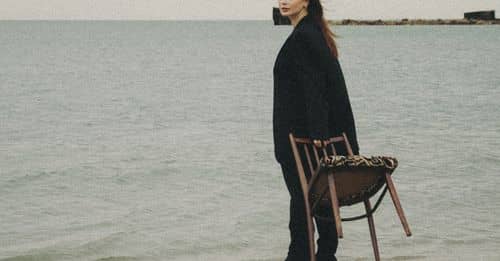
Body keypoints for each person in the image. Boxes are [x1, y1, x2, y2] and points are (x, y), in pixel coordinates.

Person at [272, 0, 360, 260]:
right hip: (308, 141)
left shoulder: (304, 37)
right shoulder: (312, 32)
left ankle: (313, 256)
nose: (283, 1)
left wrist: (319, 135)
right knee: (313, 204)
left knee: (304, 206)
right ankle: (323, 255)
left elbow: (316, 89)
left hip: (302, 144)